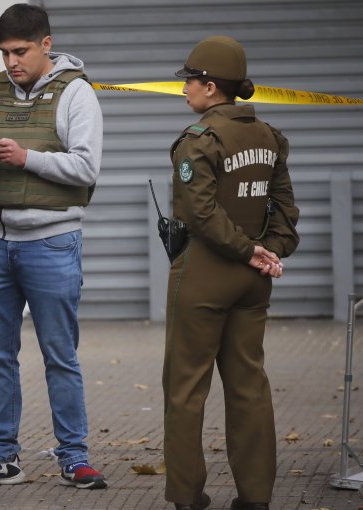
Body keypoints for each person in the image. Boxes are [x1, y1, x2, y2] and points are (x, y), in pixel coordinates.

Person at [0, 3, 106, 490]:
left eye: (20, 51)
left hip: (51, 242)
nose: (11, 62)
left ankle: (75, 457)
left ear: (46, 44)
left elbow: (86, 168)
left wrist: (27, 158)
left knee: (59, 354)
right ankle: (1, 456)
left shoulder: (77, 94)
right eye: (4, 53)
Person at [163, 36, 300, 510]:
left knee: (185, 389)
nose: (184, 91)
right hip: (253, 280)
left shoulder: (198, 141)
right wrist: (270, 252)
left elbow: (199, 214)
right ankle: (256, 498)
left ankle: (186, 497)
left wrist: (247, 252)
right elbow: (285, 208)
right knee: (249, 387)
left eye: (189, 82)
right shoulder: (269, 137)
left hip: (204, 272)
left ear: (210, 86)